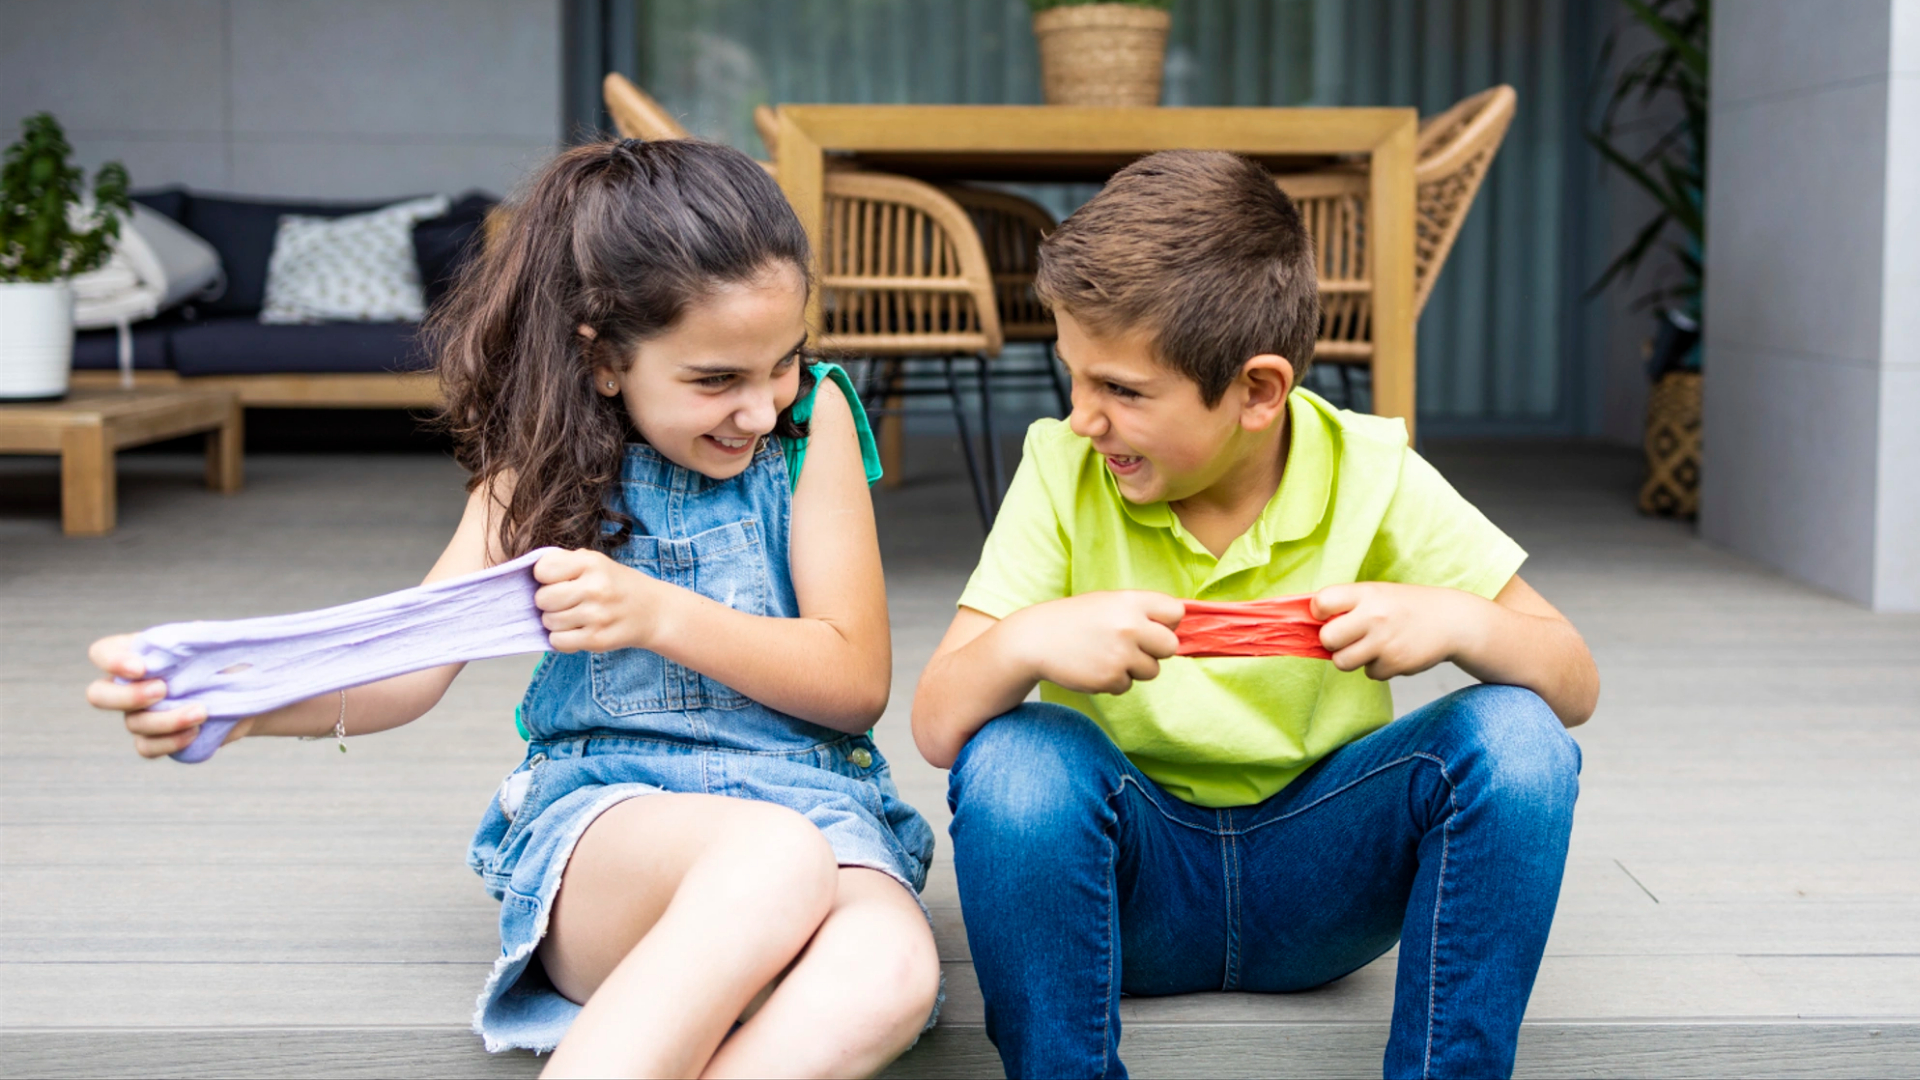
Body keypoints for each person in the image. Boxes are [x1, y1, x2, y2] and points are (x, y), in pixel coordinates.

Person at [84, 138, 940, 1079]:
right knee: (772, 860)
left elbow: (852, 681)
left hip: (819, 804)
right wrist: (244, 705)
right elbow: (410, 667)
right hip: (616, 822)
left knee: (892, 968)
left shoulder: (808, 435)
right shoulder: (539, 476)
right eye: (714, 380)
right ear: (604, 357)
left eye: (783, 362)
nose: (760, 409)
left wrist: (658, 614)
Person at [911, 150, 1599, 1080]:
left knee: (1518, 738)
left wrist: (1456, 621)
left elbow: (1573, 681)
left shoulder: (1373, 468)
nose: (1083, 418)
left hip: (1325, 885)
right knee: (1018, 757)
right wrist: (1031, 638)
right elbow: (940, 722)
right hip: (1129, 884)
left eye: (1121, 390)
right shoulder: (1060, 468)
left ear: (1258, 392)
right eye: (1072, 377)